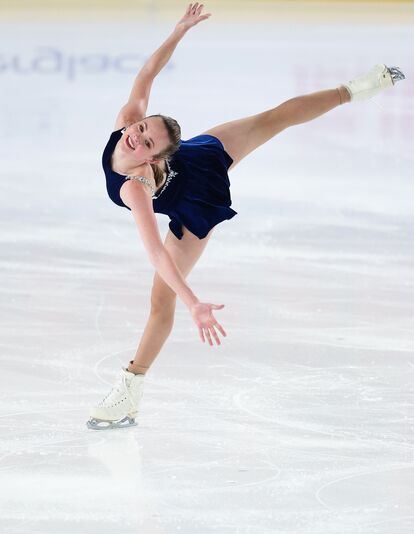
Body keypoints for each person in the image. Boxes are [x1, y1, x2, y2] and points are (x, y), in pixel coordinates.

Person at [87, 3, 405, 429]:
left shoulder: (136, 187)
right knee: (271, 120)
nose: (136, 138)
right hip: (196, 157)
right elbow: (146, 75)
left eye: (146, 143)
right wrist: (179, 31)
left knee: (162, 300)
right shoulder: (127, 123)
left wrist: (193, 301)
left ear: (159, 157)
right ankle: (132, 394)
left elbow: (158, 256)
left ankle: (358, 88)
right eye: (142, 129)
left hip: (195, 198)